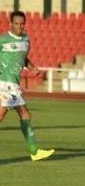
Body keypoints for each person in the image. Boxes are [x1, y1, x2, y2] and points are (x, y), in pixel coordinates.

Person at [0, 11, 55, 161]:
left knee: (24, 115)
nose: (19, 26)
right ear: (10, 24)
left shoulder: (26, 40)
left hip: (13, 84)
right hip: (5, 82)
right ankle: (34, 151)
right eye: (16, 23)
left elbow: (23, 58)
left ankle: (34, 151)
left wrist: (32, 67)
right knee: (19, 114)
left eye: (22, 23)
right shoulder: (3, 40)